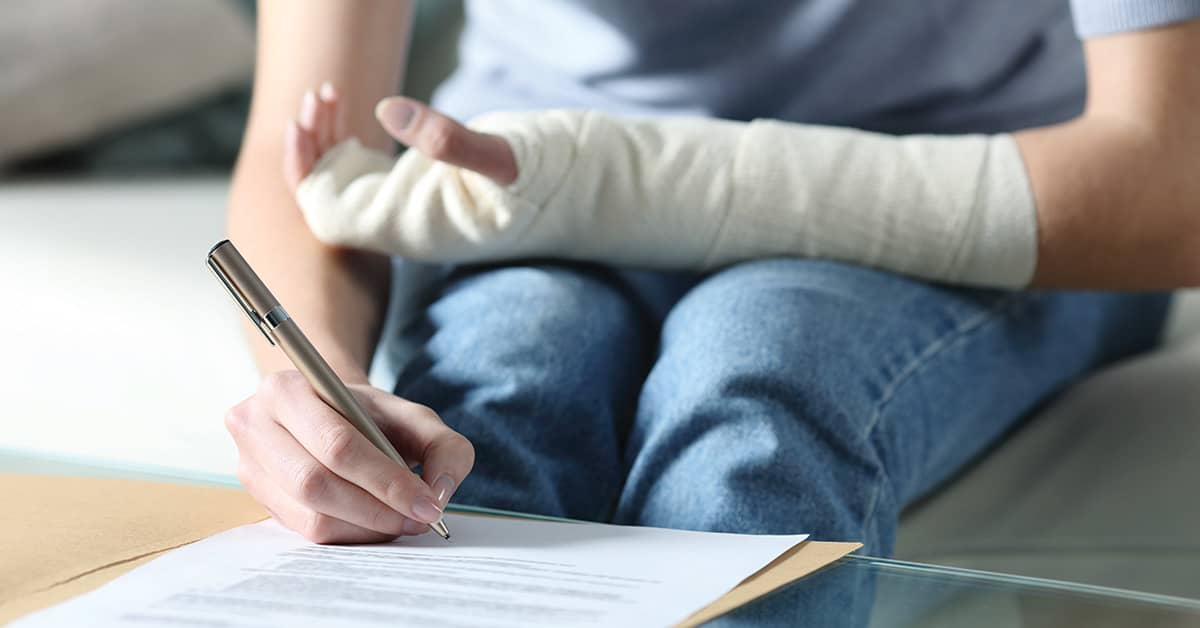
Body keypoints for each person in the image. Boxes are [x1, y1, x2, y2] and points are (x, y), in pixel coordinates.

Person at [223, 1, 1200, 555]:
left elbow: (1175, 183)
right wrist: (322, 390)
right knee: (490, 411)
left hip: (995, 191)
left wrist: (628, 182)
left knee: (759, 396)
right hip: (517, 191)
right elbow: (306, 146)